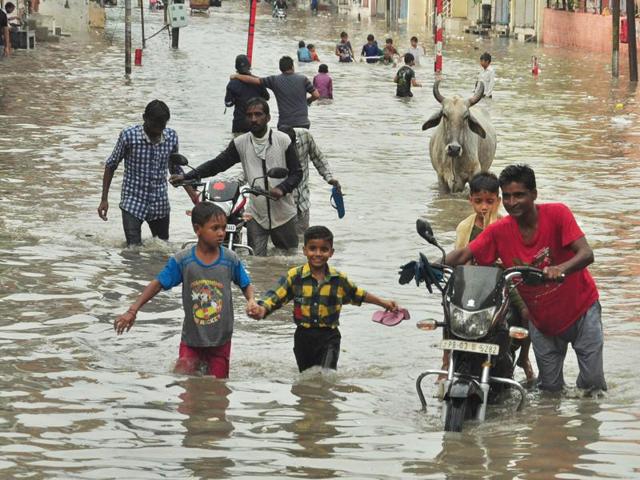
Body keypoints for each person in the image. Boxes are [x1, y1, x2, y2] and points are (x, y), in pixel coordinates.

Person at [444, 164, 606, 394]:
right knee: (549, 392)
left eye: (519, 195)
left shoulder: (558, 214)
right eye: (507, 197)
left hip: (581, 312)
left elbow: (586, 253)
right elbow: (463, 254)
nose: (512, 202)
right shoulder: (498, 230)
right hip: (542, 322)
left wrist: (560, 268)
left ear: (534, 194)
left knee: (593, 387)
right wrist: (431, 266)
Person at [114, 202, 257, 378]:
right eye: (215, 228)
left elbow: (245, 284)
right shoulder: (183, 261)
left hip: (220, 340)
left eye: (223, 228)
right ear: (198, 229)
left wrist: (251, 300)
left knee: (217, 391)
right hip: (192, 339)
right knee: (183, 382)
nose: (221, 233)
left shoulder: (230, 259)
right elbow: (158, 283)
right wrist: (132, 310)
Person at [248, 226, 399, 373]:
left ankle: (325, 398)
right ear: (305, 250)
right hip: (303, 337)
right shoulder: (295, 276)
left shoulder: (338, 279)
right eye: (313, 248)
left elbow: (358, 294)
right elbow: (276, 296)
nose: (318, 254)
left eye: (324, 249)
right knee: (307, 379)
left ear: (331, 252)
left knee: (326, 375)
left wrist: (383, 302)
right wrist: (261, 309)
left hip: (329, 337)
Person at [170, 97, 303, 256]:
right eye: (250, 115)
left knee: (289, 259)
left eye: (258, 114)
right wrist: (186, 177)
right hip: (256, 214)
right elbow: (217, 164)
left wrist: (282, 189)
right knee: (256, 261)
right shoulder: (240, 143)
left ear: (268, 118)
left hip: (284, 214)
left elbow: (297, 173)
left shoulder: (283, 140)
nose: (253, 119)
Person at [446, 172, 535, 381]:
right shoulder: (464, 227)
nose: (483, 207)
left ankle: (523, 357)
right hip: (470, 282)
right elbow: (460, 255)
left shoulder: (505, 225)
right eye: (478, 202)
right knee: (448, 313)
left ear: (498, 201)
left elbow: (512, 261)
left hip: (501, 280)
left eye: (489, 202)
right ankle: (445, 359)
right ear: (470, 201)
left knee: (526, 312)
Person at [98, 100, 198, 246]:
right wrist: (104, 199)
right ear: (145, 118)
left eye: (162, 126)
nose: (158, 131)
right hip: (132, 201)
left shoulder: (171, 137)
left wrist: (194, 198)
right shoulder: (129, 136)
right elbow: (111, 165)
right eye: (154, 126)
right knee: (133, 250)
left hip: (159, 202)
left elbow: (176, 169)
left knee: (162, 248)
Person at [231, 56, 320, 130]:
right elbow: (316, 95)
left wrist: (237, 76)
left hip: (285, 125)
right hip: (303, 123)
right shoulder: (303, 79)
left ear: (280, 68)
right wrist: (308, 101)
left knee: (286, 150)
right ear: (292, 67)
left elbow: (255, 81)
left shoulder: (274, 80)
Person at [284, 128, 340, 234]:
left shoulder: (304, 136)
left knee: (302, 242)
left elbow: (318, 157)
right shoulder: (273, 145)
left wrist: (329, 178)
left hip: (302, 203)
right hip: (282, 207)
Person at [225, 54, 270, 135]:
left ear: (236, 68)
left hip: (239, 123)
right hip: (256, 123)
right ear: (249, 66)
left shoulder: (232, 83)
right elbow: (267, 97)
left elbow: (228, 103)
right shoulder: (257, 81)